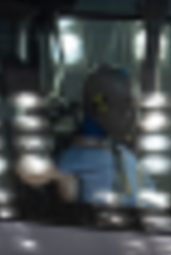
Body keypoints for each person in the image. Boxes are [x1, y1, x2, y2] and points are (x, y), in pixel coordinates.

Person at [27, 64, 143, 204]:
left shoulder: (123, 154)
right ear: (101, 107)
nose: (135, 119)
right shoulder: (71, 163)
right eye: (126, 108)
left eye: (136, 110)